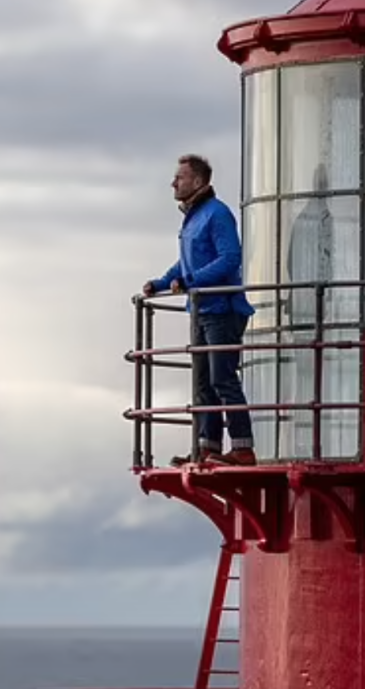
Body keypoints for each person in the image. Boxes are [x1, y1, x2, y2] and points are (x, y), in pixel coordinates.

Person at [143, 154, 256, 467]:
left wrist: (189, 281)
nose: (173, 183)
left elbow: (229, 257)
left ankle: (243, 448)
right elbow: (190, 261)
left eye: (179, 177)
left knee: (223, 378)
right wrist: (163, 282)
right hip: (203, 309)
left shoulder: (216, 214)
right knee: (204, 382)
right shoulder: (196, 217)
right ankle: (208, 447)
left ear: (197, 181)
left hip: (223, 308)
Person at [284, 164, 334, 459]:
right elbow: (330, 261)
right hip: (314, 303)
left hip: (300, 302)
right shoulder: (325, 219)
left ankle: (302, 435)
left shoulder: (302, 217)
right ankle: (314, 437)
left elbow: (291, 261)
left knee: (304, 369)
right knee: (316, 368)